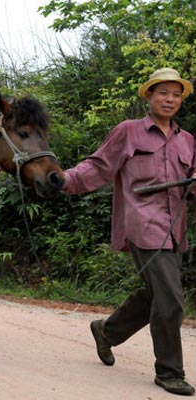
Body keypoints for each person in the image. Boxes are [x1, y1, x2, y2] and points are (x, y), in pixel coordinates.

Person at [62, 67, 195, 396]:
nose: (170, 99)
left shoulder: (188, 141)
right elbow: (98, 166)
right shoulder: (129, 131)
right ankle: (169, 371)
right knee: (172, 301)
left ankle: (107, 332)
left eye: (176, 94)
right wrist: (64, 180)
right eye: (163, 92)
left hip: (174, 229)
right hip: (143, 223)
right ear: (148, 96)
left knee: (157, 294)